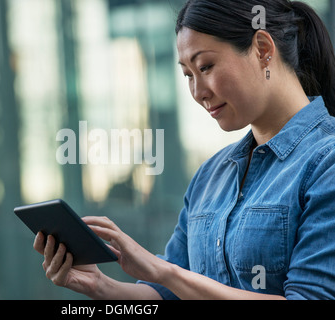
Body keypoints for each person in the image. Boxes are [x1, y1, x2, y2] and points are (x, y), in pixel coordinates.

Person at [33, 0, 335, 300]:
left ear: (263, 50)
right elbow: (169, 294)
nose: (198, 92)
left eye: (206, 66)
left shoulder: (327, 161)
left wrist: (164, 271)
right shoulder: (211, 176)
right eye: (188, 74)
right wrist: (100, 286)